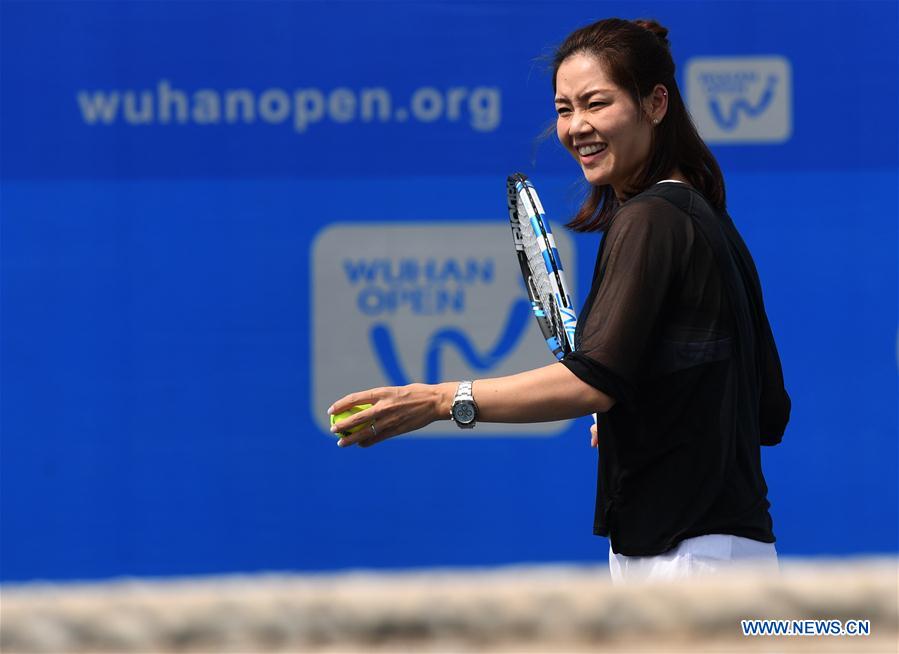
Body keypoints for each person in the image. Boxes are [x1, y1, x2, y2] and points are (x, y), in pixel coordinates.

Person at [328, 17, 790, 583]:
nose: (577, 127)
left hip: (686, 566)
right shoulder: (706, 219)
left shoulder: (651, 219)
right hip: (732, 558)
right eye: (564, 108)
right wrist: (650, 413)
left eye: (596, 103)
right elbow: (767, 410)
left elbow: (590, 379)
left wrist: (441, 398)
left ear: (655, 103)